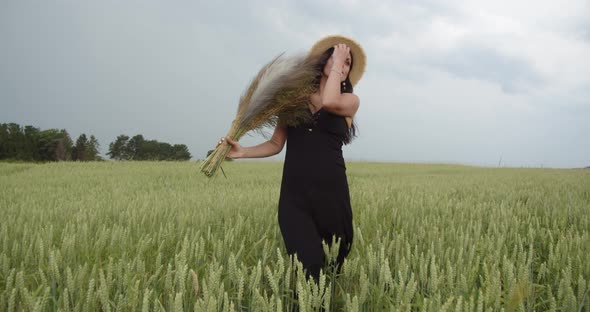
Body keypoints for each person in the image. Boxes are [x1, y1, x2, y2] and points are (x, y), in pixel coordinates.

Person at [218, 35, 366, 281]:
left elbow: (329, 101)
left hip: (332, 197)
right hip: (295, 199)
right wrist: (242, 151)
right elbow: (276, 143)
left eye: (347, 62)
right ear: (322, 61)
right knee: (307, 267)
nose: (340, 62)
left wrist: (338, 62)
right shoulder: (293, 101)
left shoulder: (350, 101)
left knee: (331, 270)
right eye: (335, 56)